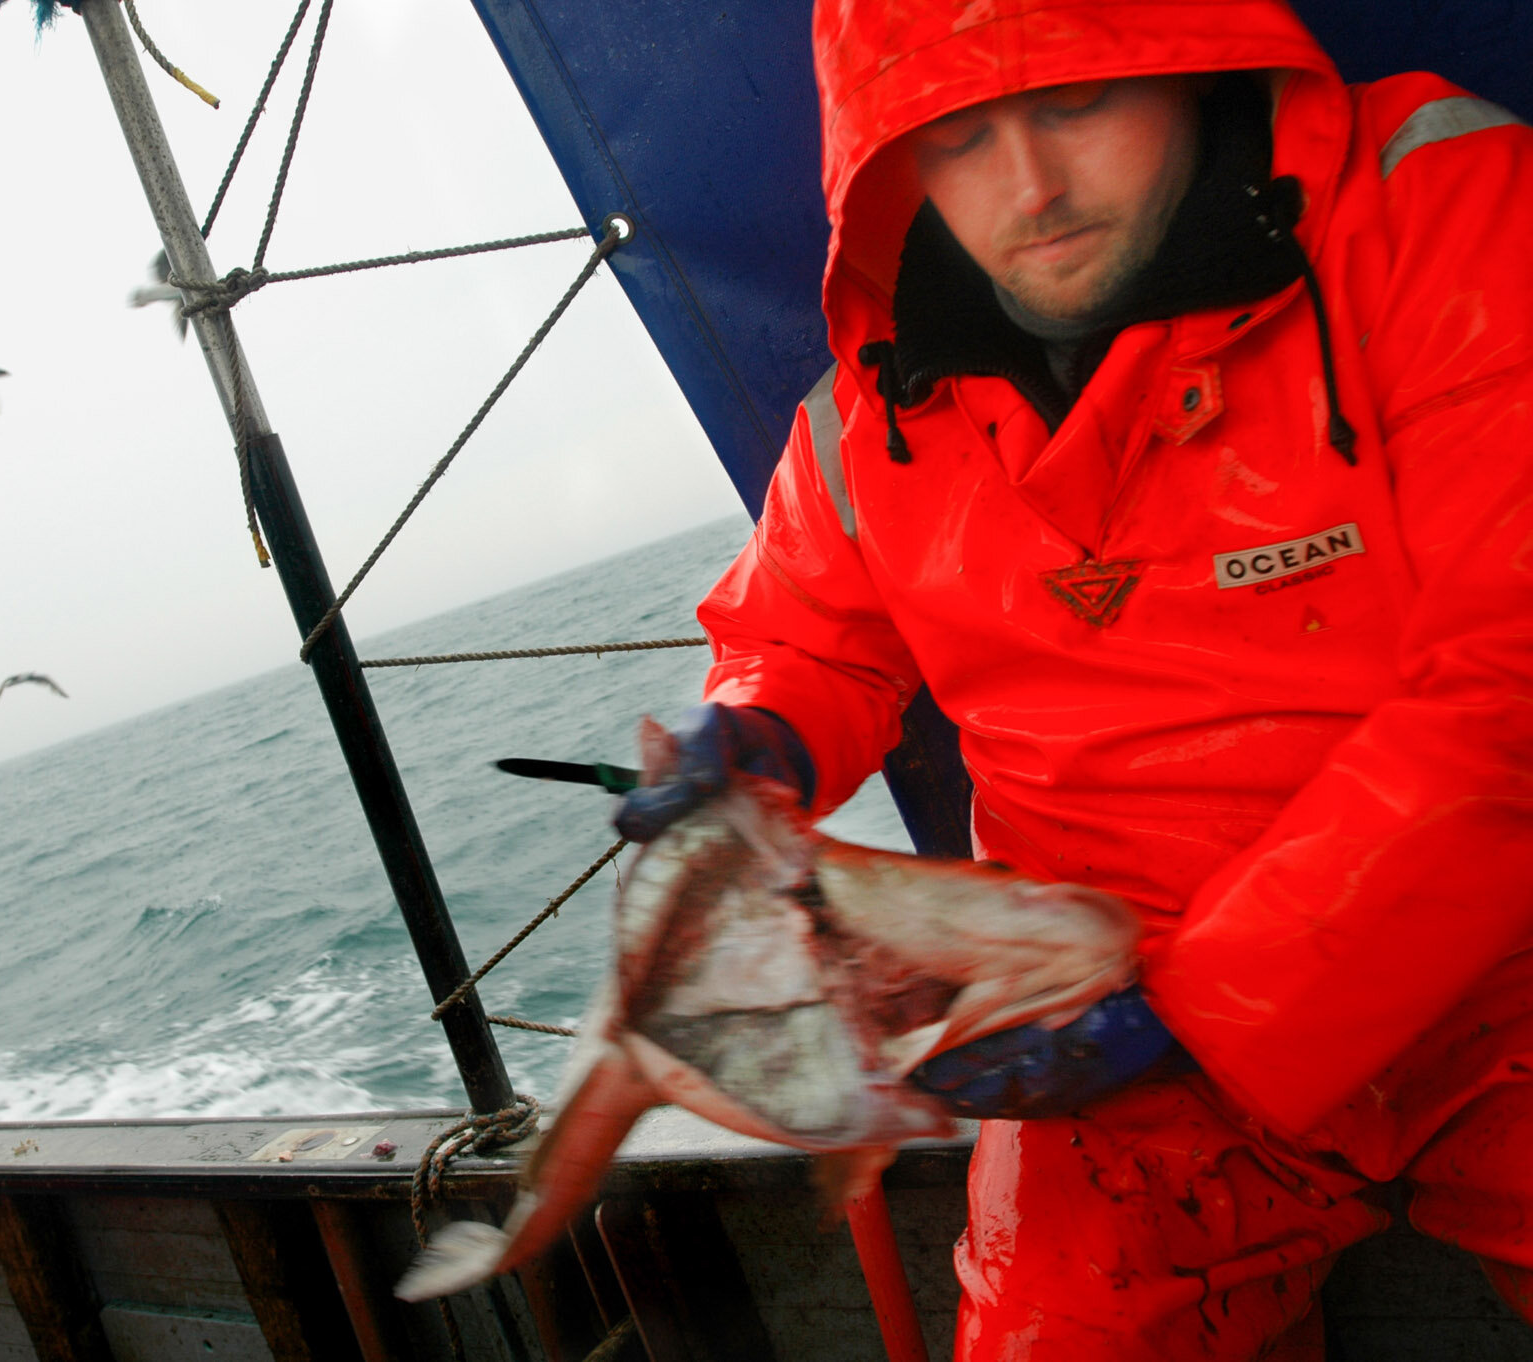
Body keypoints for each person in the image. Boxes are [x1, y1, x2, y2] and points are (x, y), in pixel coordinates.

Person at [615, 0, 1533, 1355]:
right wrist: (756, 730)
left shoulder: (1436, 202)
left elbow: (1511, 681)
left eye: (1076, 104)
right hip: (1100, 1010)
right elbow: (804, 629)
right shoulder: (868, 403)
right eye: (961, 136)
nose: (1028, 189)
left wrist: (1198, 1006)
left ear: (1191, 66)